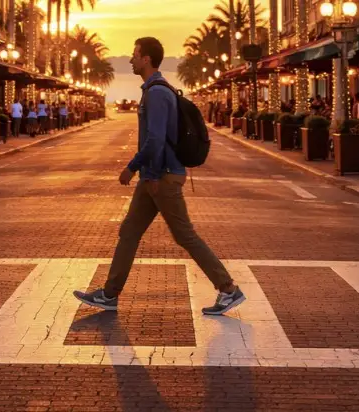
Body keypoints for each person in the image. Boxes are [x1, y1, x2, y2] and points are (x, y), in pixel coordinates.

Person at [73, 36, 245, 316]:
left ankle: (228, 289)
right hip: (153, 177)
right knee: (129, 231)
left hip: (162, 177)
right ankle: (109, 294)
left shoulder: (156, 93)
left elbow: (154, 140)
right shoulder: (154, 90)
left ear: (146, 59)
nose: (130, 58)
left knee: (185, 236)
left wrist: (132, 167)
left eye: (135, 54)